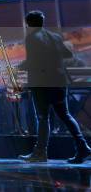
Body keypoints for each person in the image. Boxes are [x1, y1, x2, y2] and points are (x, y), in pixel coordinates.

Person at [18, 10, 91, 163]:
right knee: (65, 115)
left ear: (28, 24)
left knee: (43, 118)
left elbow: (33, 61)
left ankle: (40, 153)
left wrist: (18, 67)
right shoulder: (55, 37)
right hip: (58, 81)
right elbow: (67, 55)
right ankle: (82, 147)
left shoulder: (31, 38)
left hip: (42, 83)